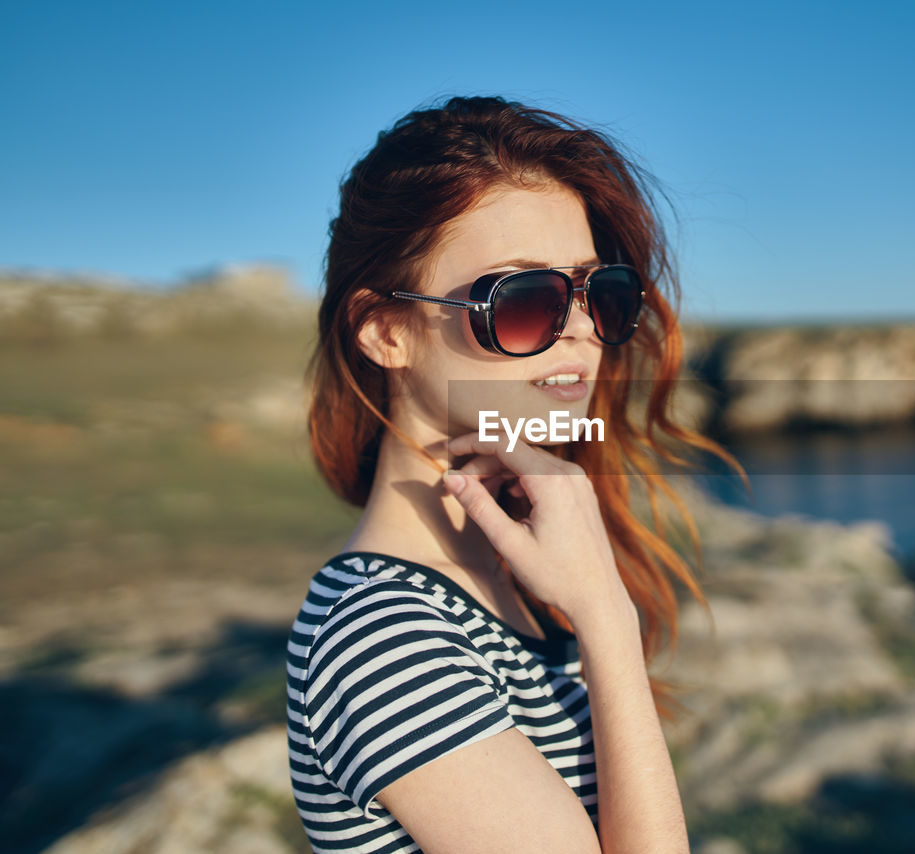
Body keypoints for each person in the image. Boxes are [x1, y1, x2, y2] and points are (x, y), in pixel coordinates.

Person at [287, 95, 744, 853]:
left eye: (600, 293)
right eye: (521, 299)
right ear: (386, 331)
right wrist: (604, 614)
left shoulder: (508, 567)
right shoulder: (382, 635)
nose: (577, 329)